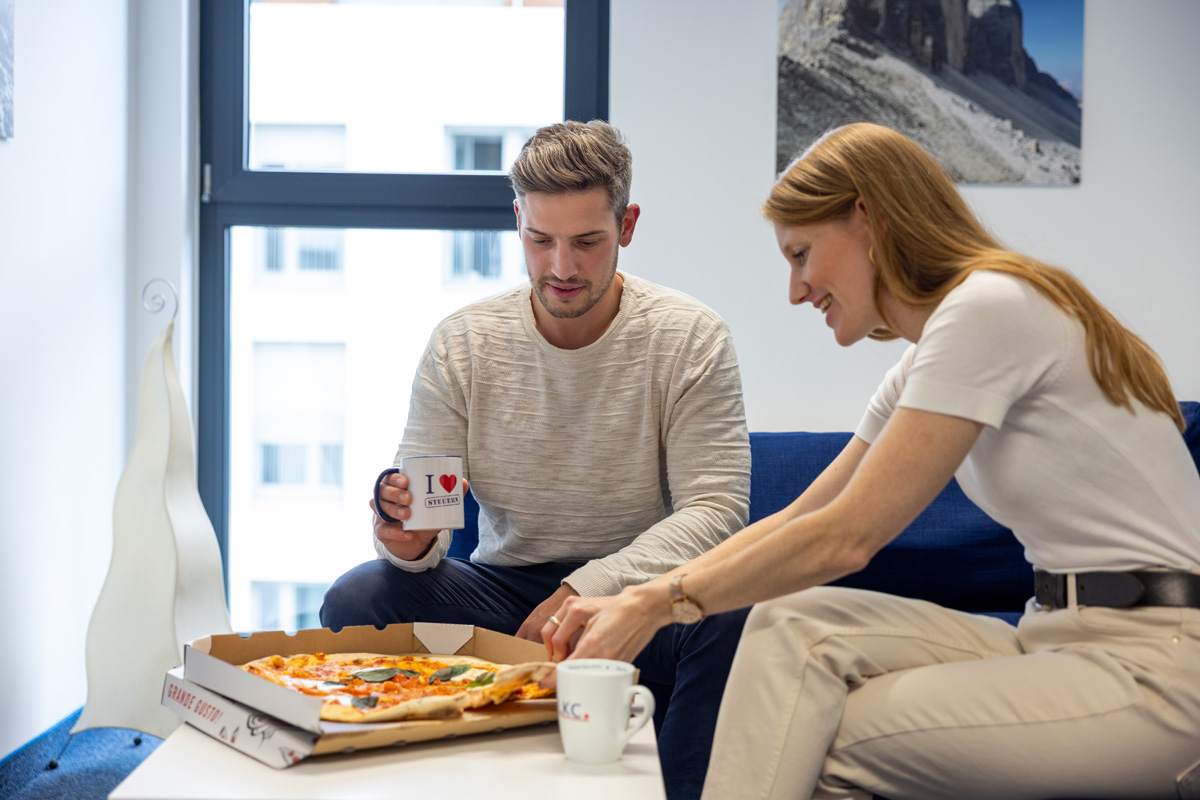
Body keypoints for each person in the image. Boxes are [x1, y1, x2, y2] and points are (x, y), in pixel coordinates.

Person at [545, 122, 1200, 800]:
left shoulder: (989, 308)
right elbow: (805, 515)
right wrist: (632, 598)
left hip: (1158, 666)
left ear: (868, 218)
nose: (796, 290)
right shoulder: (928, 355)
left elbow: (844, 538)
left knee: (808, 732)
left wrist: (660, 604)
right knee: (788, 624)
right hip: (1057, 633)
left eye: (801, 254)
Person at [320, 120, 753, 800]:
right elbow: (425, 535)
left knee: (735, 614)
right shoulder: (462, 343)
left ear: (628, 225)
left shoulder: (690, 336)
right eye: (540, 240)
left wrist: (594, 589)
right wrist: (404, 541)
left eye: (587, 242)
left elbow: (718, 509)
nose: (562, 268)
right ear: (516, 219)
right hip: (509, 597)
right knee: (359, 595)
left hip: (638, 598)